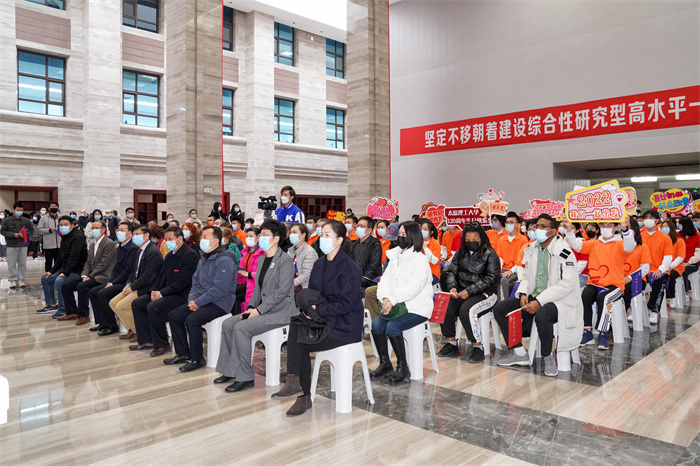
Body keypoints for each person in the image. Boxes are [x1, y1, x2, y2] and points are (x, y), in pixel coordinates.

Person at [270, 220, 363, 416]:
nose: (323, 239)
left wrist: (318, 309)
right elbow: (312, 293)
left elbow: (346, 304)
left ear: (339, 240)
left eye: (328, 235)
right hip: (322, 318)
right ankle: (294, 383)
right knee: (296, 324)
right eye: (322, 235)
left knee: (301, 341)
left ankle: (301, 394)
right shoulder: (320, 264)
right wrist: (309, 309)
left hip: (344, 324)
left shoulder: (349, 268)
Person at [494, 214, 583, 377]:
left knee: (542, 314)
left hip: (560, 300)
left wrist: (540, 301)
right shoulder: (532, 248)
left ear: (553, 231)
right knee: (500, 309)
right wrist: (523, 293)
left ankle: (548, 356)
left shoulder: (564, 251)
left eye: (543, 227)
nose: (538, 230)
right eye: (537, 227)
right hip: (535, 295)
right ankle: (519, 352)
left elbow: (567, 285)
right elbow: (527, 276)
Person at [214, 219, 295, 391]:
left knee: (241, 328)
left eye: (265, 235)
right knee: (228, 324)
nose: (261, 238)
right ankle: (230, 370)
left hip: (280, 312)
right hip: (262, 309)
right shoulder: (263, 258)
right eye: (261, 234)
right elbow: (257, 288)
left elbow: (282, 292)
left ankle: (245, 377)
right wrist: (251, 307)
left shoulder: (285, 260)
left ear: (276, 238)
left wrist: (258, 310)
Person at [165, 226, 239, 372]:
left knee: (192, 320)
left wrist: (198, 302)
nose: (201, 240)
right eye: (201, 236)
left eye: (205, 237)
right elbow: (195, 283)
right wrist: (192, 300)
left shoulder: (225, 260)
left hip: (220, 302)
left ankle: (197, 359)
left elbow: (220, 289)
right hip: (202, 300)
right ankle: (183, 353)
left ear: (216, 241)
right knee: (174, 316)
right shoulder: (204, 258)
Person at [369, 221, 434, 383]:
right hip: (396, 304)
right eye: (399, 234)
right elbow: (385, 281)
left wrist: (393, 299)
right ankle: (385, 364)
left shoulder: (420, 259)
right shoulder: (395, 256)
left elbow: (414, 287)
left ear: (413, 237)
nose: (400, 238)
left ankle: (403, 367)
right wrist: (385, 298)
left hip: (417, 307)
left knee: (393, 326)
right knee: (376, 325)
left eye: (404, 235)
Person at [130, 227, 199, 356]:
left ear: (179, 238)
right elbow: (161, 276)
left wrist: (161, 293)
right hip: (165, 292)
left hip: (181, 295)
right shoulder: (169, 256)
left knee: (154, 307)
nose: (167, 242)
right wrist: (154, 290)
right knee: (138, 303)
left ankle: (162, 343)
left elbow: (183, 282)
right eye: (166, 239)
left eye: (170, 239)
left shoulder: (190, 255)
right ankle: (146, 340)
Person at [438, 223, 500, 363]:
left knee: (467, 310)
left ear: (481, 238)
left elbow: (491, 279)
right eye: (468, 240)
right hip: (462, 291)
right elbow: (451, 272)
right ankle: (451, 343)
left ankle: (478, 347)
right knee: (444, 306)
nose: (471, 243)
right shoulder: (461, 252)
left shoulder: (490, 255)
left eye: (474, 240)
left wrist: (470, 290)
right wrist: (452, 287)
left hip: (485, 293)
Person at [562, 220, 627, 350]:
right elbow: (576, 245)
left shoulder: (620, 244)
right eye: (602, 225)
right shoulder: (594, 244)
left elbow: (630, 246)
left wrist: (626, 230)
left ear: (615, 228)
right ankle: (587, 332)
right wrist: (569, 230)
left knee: (604, 298)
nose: (605, 228)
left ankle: (603, 333)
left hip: (615, 285)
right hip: (595, 283)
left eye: (609, 225)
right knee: (585, 296)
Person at [109, 225, 164, 340]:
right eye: (134, 234)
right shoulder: (140, 250)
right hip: (136, 285)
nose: (134, 237)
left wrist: (133, 287)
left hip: (147, 288)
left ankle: (139, 331)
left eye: (137, 234)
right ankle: (132, 329)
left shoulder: (152, 251)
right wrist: (129, 283)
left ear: (146, 235)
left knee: (121, 305)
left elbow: (148, 276)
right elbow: (134, 270)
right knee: (113, 303)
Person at [61, 220, 116, 325]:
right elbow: (88, 263)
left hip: (103, 276)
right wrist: (84, 275)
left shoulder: (108, 243)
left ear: (103, 230)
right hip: (92, 275)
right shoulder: (92, 244)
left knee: (82, 286)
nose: (94, 230)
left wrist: (90, 276)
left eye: (96, 228)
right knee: (66, 286)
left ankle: (84, 315)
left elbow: (104, 264)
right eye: (93, 228)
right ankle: (72, 312)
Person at [89, 222, 139, 336]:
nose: (119, 232)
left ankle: (111, 325)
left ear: (129, 233)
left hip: (125, 282)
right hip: (117, 280)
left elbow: (128, 270)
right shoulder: (120, 246)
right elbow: (115, 268)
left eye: (122, 230)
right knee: (93, 292)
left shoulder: (132, 248)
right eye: (118, 230)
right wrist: (110, 281)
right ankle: (102, 323)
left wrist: (112, 283)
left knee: (103, 293)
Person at [39, 216, 88, 319]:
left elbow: (74, 257)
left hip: (77, 271)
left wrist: (65, 273)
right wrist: (51, 271)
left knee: (60, 281)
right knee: (46, 278)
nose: (62, 227)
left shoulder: (77, 237)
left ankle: (63, 308)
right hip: (68, 269)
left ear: (72, 225)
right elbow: (61, 257)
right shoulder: (65, 237)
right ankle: (51, 305)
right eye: (61, 225)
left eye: (65, 225)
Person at [636, 210, 673, 323]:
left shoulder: (665, 238)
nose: (648, 220)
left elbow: (668, 257)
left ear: (657, 220)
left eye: (651, 218)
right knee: (634, 285)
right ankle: (635, 310)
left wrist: (660, 269)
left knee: (659, 283)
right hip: (643, 271)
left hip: (658, 270)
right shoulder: (639, 236)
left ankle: (654, 311)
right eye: (646, 218)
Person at [496, 212, 530, 298]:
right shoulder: (502, 240)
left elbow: (521, 261)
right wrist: (497, 271)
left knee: (504, 280)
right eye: (507, 222)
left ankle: (505, 302)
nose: (508, 224)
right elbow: (500, 258)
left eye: (511, 222)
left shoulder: (523, 240)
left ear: (518, 225)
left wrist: (511, 271)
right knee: (494, 279)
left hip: (516, 269)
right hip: (503, 269)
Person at [1, 202, 34, 288]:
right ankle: (12, 280)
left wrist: (26, 234)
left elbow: (31, 230)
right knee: (11, 264)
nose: (19, 212)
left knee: (22, 263)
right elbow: (3, 231)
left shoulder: (26, 221)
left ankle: (20, 279)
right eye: (18, 210)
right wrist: (12, 234)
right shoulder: (7, 221)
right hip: (11, 245)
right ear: (13, 210)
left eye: (21, 210)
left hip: (23, 245)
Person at [621, 218, 651, 313]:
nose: (625, 230)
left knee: (625, 289)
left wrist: (630, 278)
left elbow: (645, 269)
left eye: (628, 227)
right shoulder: (618, 245)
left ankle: (621, 315)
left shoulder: (643, 247)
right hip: (619, 278)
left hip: (637, 279)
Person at [235, 227, 265, 314]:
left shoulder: (263, 252)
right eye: (247, 236)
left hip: (256, 284)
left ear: (258, 237)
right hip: (245, 283)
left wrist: (248, 274)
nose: (248, 238)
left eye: (251, 236)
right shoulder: (246, 251)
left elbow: (264, 273)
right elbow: (242, 267)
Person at [351, 216, 383, 290]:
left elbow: (374, 267)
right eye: (358, 226)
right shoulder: (354, 244)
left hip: (367, 284)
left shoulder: (375, 245)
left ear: (369, 230)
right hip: (353, 281)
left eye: (362, 226)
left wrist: (361, 282)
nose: (359, 228)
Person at [661, 218, 686, 307]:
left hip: (675, 267)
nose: (664, 229)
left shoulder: (679, 241)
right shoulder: (660, 241)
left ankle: (671, 297)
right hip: (660, 266)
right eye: (662, 227)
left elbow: (680, 257)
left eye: (666, 227)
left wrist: (669, 266)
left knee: (670, 275)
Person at [288, 223, 319, 291]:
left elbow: (307, 275)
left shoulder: (309, 252)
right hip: (290, 288)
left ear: (303, 235)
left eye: (294, 232)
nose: (291, 235)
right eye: (291, 232)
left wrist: (289, 284)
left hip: (304, 289)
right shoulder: (290, 250)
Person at [37, 201, 62, 271]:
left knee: (58, 262)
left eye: (55, 206)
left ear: (58, 208)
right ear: (48, 208)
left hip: (59, 244)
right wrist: (49, 230)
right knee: (48, 262)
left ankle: (57, 274)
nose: (54, 208)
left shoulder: (60, 217)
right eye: (52, 207)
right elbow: (39, 229)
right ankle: (48, 275)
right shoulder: (44, 218)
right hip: (49, 245)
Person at [678, 216, 699, 292]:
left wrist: (689, 262)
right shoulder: (678, 235)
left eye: (680, 224)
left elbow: (698, 253)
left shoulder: (697, 237)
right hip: (679, 262)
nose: (679, 226)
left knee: (683, 271)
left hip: (692, 263)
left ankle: (685, 291)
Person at [417, 218, 441, 284]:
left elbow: (434, 261)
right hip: (421, 272)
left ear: (431, 232)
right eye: (421, 229)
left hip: (432, 273)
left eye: (425, 229)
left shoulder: (435, 243)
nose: (422, 231)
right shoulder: (419, 242)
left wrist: (425, 248)